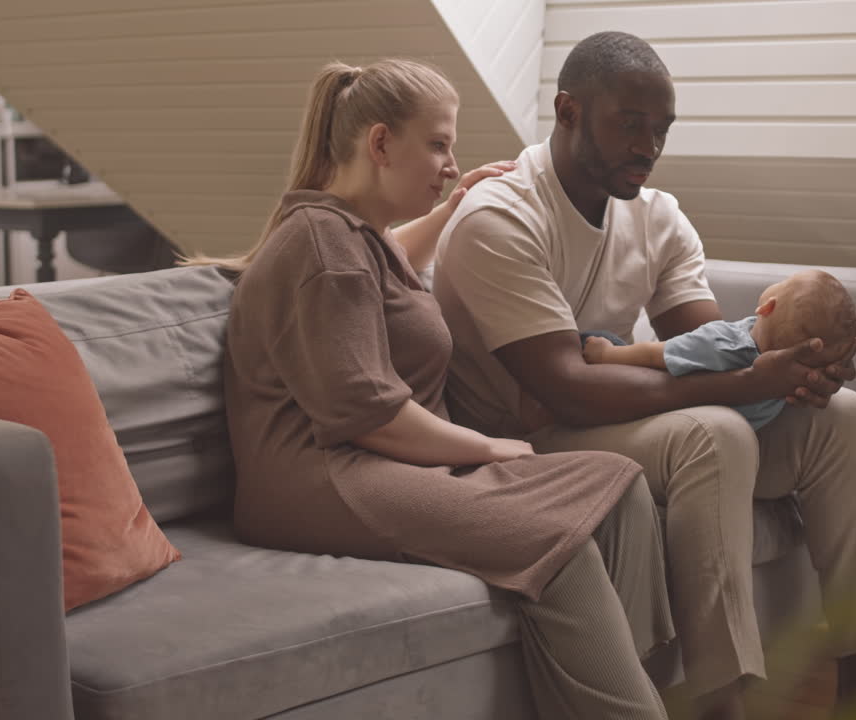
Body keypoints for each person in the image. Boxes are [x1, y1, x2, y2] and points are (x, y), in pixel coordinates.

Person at [433, 32, 856, 720]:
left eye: (661, 128)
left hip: (620, 423)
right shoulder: (501, 218)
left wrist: (806, 360)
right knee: (712, 433)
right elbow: (564, 387)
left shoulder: (657, 217)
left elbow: (711, 346)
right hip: (521, 448)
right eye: (630, 122)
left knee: (841, 416)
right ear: (568, 111)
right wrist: (749, 384)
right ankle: (721, 705)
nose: (649, 144)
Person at [188, 59, 676, 720]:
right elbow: (373, 418)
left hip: (374, 463)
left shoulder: (357, 236)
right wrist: (492, 449)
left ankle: (644, 687)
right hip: (326, 477)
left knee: (620, 484)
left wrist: (450, 208)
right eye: (439, 143)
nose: (452, 161)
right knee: (554, 542)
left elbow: (385, 281)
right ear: (381, 144)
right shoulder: (325, 249)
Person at [582, 269, 856, 431]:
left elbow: (658, 354)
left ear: (767, 307)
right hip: (713, 421)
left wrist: (608, 355)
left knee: (603, 340)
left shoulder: (723, 341)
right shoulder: (793, 378)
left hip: (652, 411)